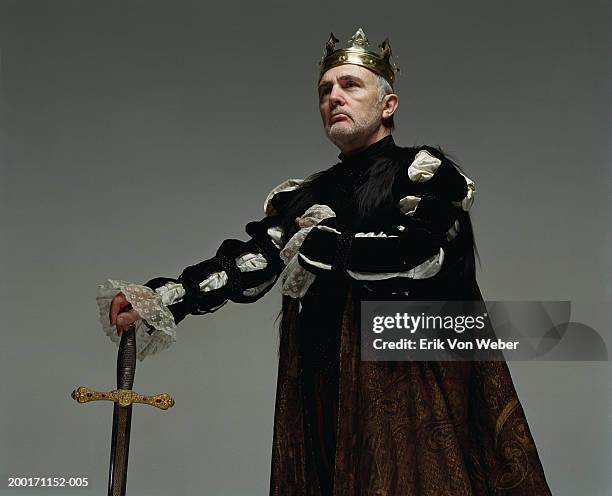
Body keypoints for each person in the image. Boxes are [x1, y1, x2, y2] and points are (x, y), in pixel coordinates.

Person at [98, 28, 552, 495]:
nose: (335, 97)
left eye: (351, 85)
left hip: (400, 383)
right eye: (325, 91)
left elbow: (417, 253)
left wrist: (321, 243)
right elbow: (252, 261)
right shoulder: (306, 194)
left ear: (388, 105)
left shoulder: (423, 173)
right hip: (319, 379)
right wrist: (161, 299)